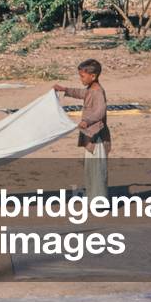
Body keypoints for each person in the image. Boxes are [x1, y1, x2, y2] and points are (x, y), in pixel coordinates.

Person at [54, 59, 110, 199]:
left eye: (82, 76)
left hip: (97, 138)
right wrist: (65, 89)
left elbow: (101, 111)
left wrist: (87, 121)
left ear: (93, 76)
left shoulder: (97, 92)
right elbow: (81, 93)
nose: (81, 79)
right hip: (91, 137)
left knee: (96, 171)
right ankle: (94, 199)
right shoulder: (91, 89)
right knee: (91, 170)